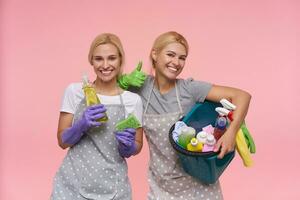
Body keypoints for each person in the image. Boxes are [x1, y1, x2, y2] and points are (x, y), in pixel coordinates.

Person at [127, 31, 251, 199]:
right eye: (170, 55)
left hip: (198, 186)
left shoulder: (189, 89)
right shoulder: (140, 88)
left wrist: (231, 132)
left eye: (182, 58)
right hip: (161, 186)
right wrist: (122, 82)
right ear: (155, 54)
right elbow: (102, 89)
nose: (176, 62)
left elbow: (242, 96)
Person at [51, 33, 143, 200]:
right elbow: (62, 141)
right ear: (91, 61)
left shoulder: (133, 100)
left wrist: (127, 147)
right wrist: (81, 125)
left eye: (112, 58)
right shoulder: (75, 92)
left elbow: (137, 145)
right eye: (99, 59)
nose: (105, 65)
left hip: (114, 188)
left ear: (120, 60)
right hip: (71, 185)